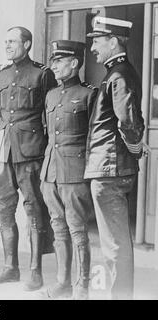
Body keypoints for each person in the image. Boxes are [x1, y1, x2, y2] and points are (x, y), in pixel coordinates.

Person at [0, 26, 57, 290]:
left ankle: (35, 270)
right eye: (5, 41)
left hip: (30, 149)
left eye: (13, 41)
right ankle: (10, 267)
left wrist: (48, 152)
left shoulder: (42, 74)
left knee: (34, 209)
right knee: (4, 207)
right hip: (2, 149)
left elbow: (50, 115)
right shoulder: (2, 75)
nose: (8, 46)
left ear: (27, 44)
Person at [85, 16, 145, 300]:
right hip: (108, 167)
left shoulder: (119, 75)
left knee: (114, 244)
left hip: (109, 168)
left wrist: (135, 149)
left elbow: (128, 123)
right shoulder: (116, 73)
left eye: (97, 41)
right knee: (113, 243)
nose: (93, 48)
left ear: (114, 41)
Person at [40, 40, 97, 299]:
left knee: (77, 228)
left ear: (74, 63)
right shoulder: (51, 95)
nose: (54, 66)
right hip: (50, 171)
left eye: (59, 61)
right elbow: (47, 132)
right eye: (53, 61)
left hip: (75, 172)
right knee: (58, 227)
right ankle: (62, 281)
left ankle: (81, 286)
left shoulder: (89, 94)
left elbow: (95, 138)